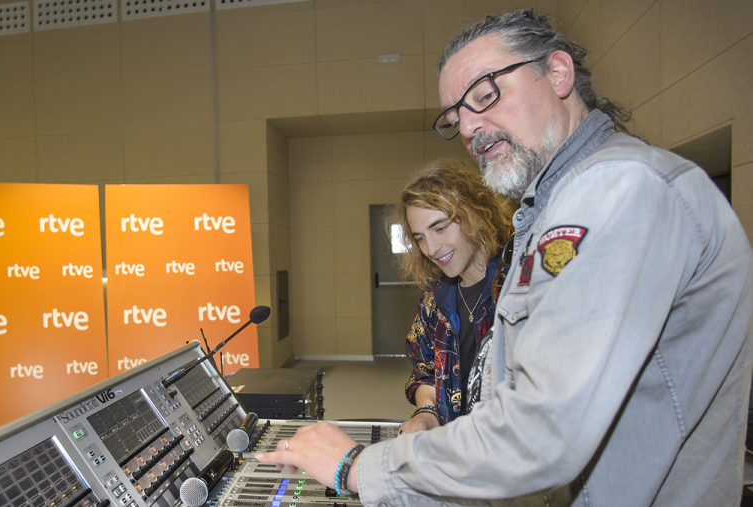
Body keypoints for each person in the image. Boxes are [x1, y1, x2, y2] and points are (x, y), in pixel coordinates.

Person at [257, 9, 753, 506]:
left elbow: (543, 429)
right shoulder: (553, 208)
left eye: (485, 95)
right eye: (456, 118)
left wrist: (356, 466)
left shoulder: (616, 187)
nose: (471, 127)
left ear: (558, 73)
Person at [395, 161, 512, 434]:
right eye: (420, 238)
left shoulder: (518, 288)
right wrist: (427, 412)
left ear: (475, 213)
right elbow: (424, 368)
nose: (431, 249)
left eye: (440, 227)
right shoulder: (433, 302)